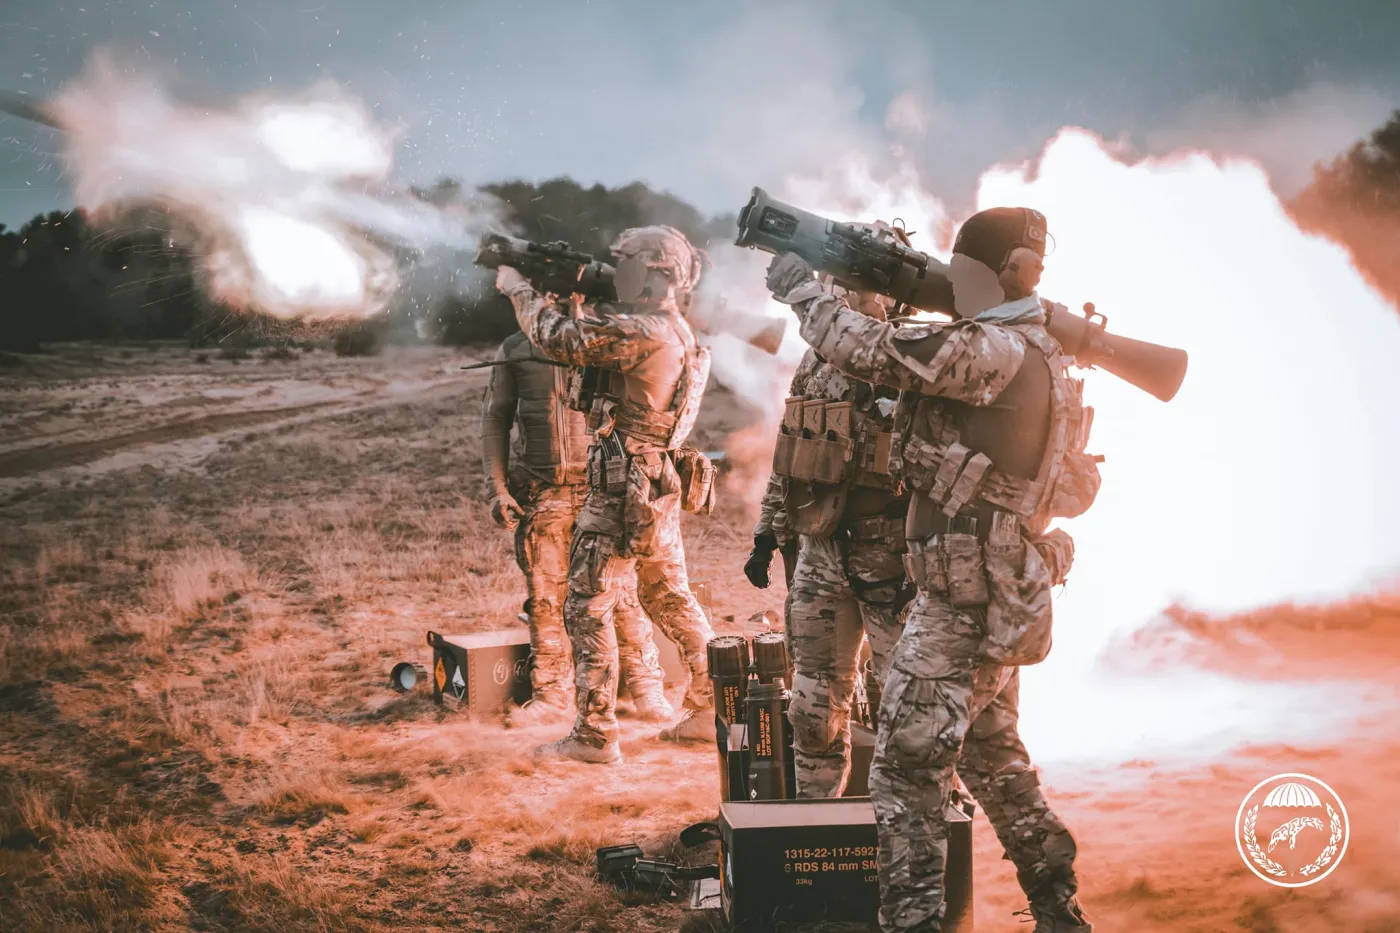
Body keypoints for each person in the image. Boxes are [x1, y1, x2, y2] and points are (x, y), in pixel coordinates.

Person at [763, 206, 1097, 932]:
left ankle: (914, 922)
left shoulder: (995, 349)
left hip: (960, 603)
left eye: (962, 265)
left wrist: (800, 289)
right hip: (997, 589)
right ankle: (1057, 907)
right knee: (992, 753)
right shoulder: (1036, 348)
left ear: (1001, 270)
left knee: (905, 770)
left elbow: (875, 353)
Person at [496, 225, 717, 764]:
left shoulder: (644, 328)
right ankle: (713, 709)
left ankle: (595, 735)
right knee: (670, 598)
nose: (618, 270)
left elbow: (556, 340)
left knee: (587, 605)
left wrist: (518, 289)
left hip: (622, 488)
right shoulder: (677, 329)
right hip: (654, 482)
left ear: (654, 272)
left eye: (628, 262)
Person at [745, 275, 911, 798]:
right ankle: (816, 813)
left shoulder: (916, 360)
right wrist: (767, 534)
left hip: (892, 560)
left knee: (906, 706)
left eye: (865, 287)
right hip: (820, 552)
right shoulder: (816, 360)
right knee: (812, 705)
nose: (849, 295)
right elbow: (791, 448)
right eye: (844, 286)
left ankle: (915, 826)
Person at [479, 330, 675, 727]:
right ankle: (552, 693)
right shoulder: (515, 348)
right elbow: (495, 420)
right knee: (545, 598)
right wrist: (497, 490)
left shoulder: (605, 340)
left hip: (603, 489)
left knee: (621, 593)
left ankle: (645, 686)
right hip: (542, 491)